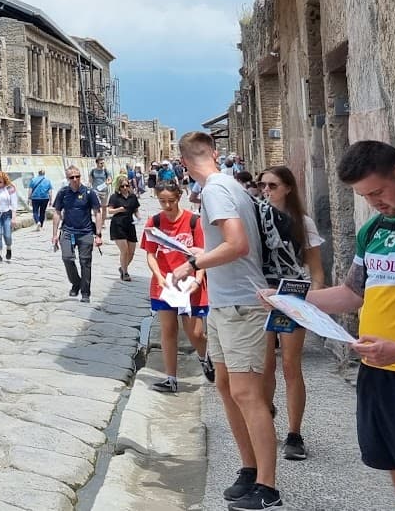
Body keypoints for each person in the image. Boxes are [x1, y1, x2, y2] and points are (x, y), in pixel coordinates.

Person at [269, 141, 395, 510]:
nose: (374, 202)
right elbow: (352, 294)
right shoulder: (373, 230)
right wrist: (288, 297)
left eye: (378, 192)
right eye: (364, 196)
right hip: (377, 373)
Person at [169, 131, 277, 511]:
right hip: (223, 304)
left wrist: (193, 262)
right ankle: (249, 468)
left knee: (247, 394)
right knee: (227, 387)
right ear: (215, 153)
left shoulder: (214, 190)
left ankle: (267, 487)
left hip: (242, 305)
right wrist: (205, 251)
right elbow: (231, 243)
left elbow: (238, 245)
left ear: (183, 164)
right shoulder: (229, 186)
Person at [256, 165, 324, 463]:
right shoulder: (257, 219)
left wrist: (312, 304)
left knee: (290, 365)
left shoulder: (302, 223)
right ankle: (265, 419)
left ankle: (295, 434)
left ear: (288, 188)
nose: (266, 191)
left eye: (272, 185)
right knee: (264, 364)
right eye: (263, 185)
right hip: (262, 296)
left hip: (293, 294)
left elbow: (317, 271)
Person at [142, 183, 212, 393]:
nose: (167, 206)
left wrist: (198, 280)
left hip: (190, 283)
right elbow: (150, 254)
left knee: (195, 333)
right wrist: (158, 276)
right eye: (162, 201)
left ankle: (204, 357)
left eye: (171, 201)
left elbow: (203, 255)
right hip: (166, 284)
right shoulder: (154, 222)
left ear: (179, 197)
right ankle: (170, 378)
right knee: (168, 329)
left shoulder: (193, 221)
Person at [52, 166, 104, 303]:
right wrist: (55, 234)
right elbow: (57, 213)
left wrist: (98, 234)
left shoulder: (89, 192)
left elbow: (97, 213)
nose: (75, 179)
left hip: (85, 232)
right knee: (67, 258)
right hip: (68, 231)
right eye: (72, 177)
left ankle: (85, 292)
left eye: (77, 176)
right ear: (67, 178)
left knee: (85, 262)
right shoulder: (63, 193)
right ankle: (76, 283)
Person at [107, 180, 142, 282]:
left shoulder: (133, 197)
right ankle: (125, 273)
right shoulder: (114, 197)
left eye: (127, 185)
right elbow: (110, 211)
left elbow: (136, 210)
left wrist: (139, 217)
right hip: (118, 225)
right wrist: (119, 209)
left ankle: (123, 267)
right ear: (119, 187)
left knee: (131, 252)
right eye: (122, 186)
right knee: (125, 250)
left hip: (130, 225)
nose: (125, 188)